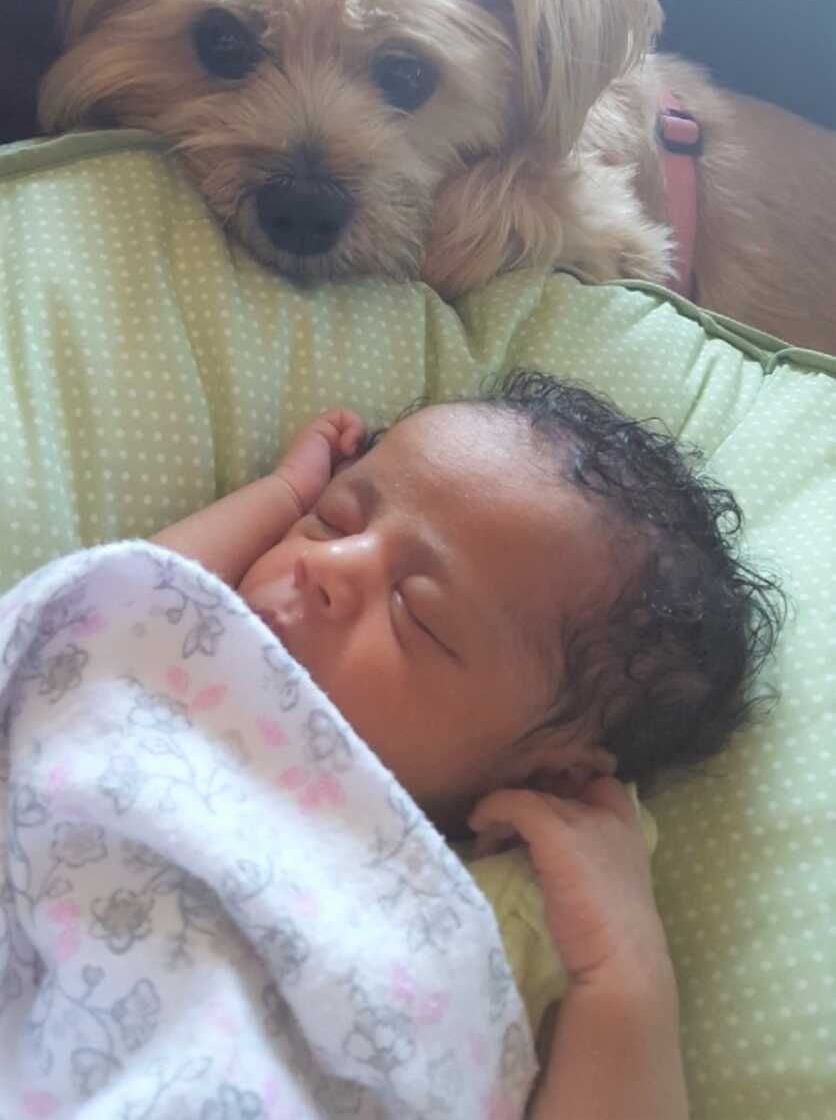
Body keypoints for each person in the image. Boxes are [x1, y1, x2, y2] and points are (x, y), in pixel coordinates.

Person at [153, 367, 783, 1120]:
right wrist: (285, 494)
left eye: (417, 613)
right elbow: (103, 604)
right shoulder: (182, 683)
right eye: (335, 519)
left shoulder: (503, 906)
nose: (324, 566)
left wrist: (624, 976)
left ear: (551, 775)